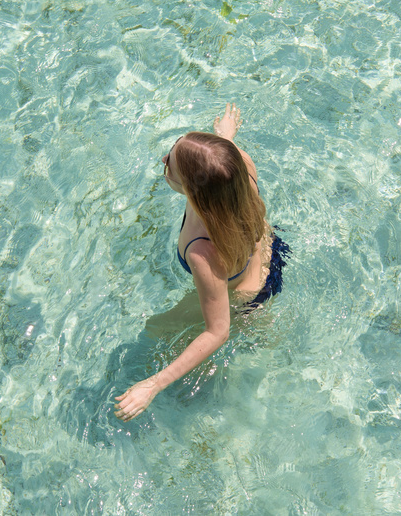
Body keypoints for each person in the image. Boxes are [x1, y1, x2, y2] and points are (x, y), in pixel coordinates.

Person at [114, 103, 289, 422]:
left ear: (194, 193)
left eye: (171, 166)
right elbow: (223, 155)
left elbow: (217, 331)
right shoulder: (240, 168)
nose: (165, 160)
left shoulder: (203, 251)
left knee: (156, 329)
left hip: (244, 301)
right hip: (273, 257)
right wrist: (224, 136)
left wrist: (152, 385)